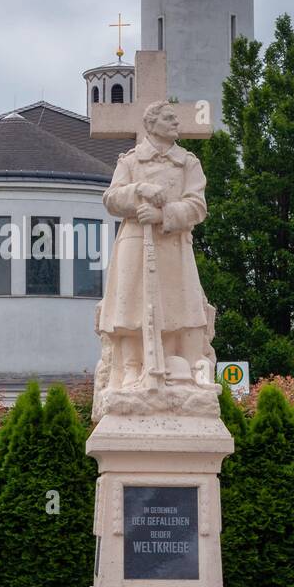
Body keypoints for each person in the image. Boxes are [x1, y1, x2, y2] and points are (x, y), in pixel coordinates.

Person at [98, 100, 215, 389]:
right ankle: (129, 370)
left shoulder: (188, 162)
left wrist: (163, 215)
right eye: (169, 118)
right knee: (130, 306)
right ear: (151, 125)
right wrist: (139, 191)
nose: (177, 123)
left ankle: (177, 367)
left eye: (176, 118)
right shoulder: (130, 162)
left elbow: (198, 207)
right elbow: (111, 200)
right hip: (135, 243)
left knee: (178, 308)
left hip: (173, 245)